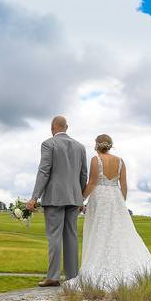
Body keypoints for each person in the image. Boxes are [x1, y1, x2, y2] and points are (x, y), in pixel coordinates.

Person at [66, 134, 151, 291]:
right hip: (116, 197)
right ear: (110, 145)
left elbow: (92, 182)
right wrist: (121, 202)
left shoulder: (95, 159)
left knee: (98, 231)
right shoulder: (120, 161)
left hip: (99, 198)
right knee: (120, 233)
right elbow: (124, 184)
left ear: (96, 145)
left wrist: (81, 199)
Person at [27, 115, 88, 287]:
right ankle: (72, 277)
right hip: (74, 198)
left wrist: (34, 197)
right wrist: (80, 197)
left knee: (54, 237)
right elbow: (84, 175)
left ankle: (53, 276)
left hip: (54, 197)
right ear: (66, 127)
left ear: (52, 127)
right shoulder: (80, 147)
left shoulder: (48, 144)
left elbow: (44, 171)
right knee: (72, 236)